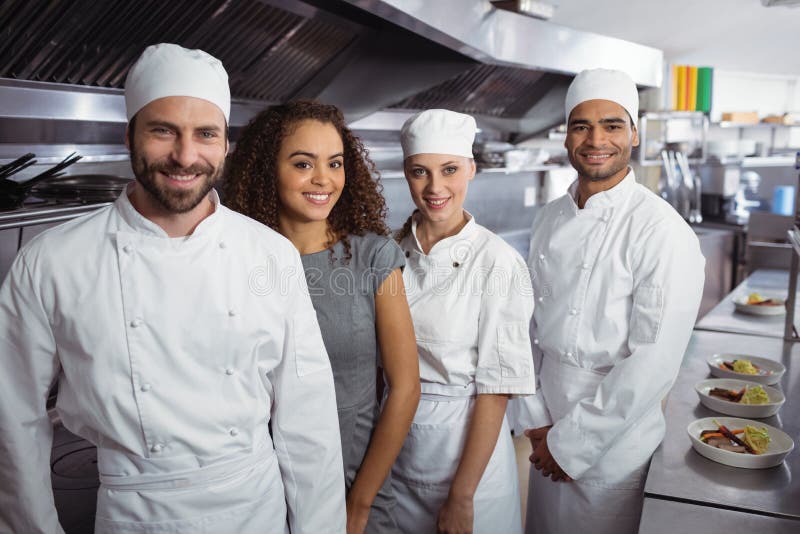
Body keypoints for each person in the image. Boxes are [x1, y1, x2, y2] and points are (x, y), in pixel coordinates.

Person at [0, 44, 346, 534]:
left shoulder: (270, 255)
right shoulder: (51, 261)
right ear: (130, 136)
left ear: (226, 144)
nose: (186, 156)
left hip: (257, 510)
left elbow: (308, 423)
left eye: (205, 134)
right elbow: (11, 421)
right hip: (135, 516)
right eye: (163, 130)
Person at [521, 68, 705, 534]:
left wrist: (573, 444)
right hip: (546, 422)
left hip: (614, 440)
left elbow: (654, 360)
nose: (595, 139)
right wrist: (537, 422)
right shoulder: (549, 218)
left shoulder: (660, 230)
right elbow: (529, 327)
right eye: (581, 125)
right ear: (566, 137)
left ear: (635, 135)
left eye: (612, 125)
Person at [223, 100, 420, 534]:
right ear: (266, 170)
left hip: (353, 484)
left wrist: (361, 504)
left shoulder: (374, 256)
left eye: (334, 163)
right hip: (257, 489)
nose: (323, 180)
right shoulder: (237, 259)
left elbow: (405, 387)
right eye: (302, 163)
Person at [392, 109, 535, 534]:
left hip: (469, 465)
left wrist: (461, 497)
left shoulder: (497, 262)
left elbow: (496, 387)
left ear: (471, 170)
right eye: (421, 172)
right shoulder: (390, 251)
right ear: (406, 173)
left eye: (449, 170)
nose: (435, 187)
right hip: (397, 456)